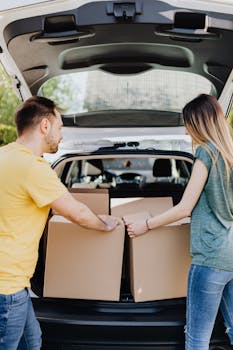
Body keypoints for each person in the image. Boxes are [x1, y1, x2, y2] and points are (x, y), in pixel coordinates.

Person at [0, 96, 120, 350]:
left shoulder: (4, 155)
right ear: (45, 126)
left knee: (33, 342)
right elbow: (76, 212)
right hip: (7, 287)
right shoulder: (34, 168)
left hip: (14, 285)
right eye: (60, 127)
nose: (61, 135)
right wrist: (106, 225)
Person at [125, 94, 233, 349]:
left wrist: (146, 224)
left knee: (197, 337)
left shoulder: (206, 153)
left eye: (187, 123)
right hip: (230, 255)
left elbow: (185, 208)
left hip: (209, 258)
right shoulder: (229, 156)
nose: (186, 130)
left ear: (198, 123)